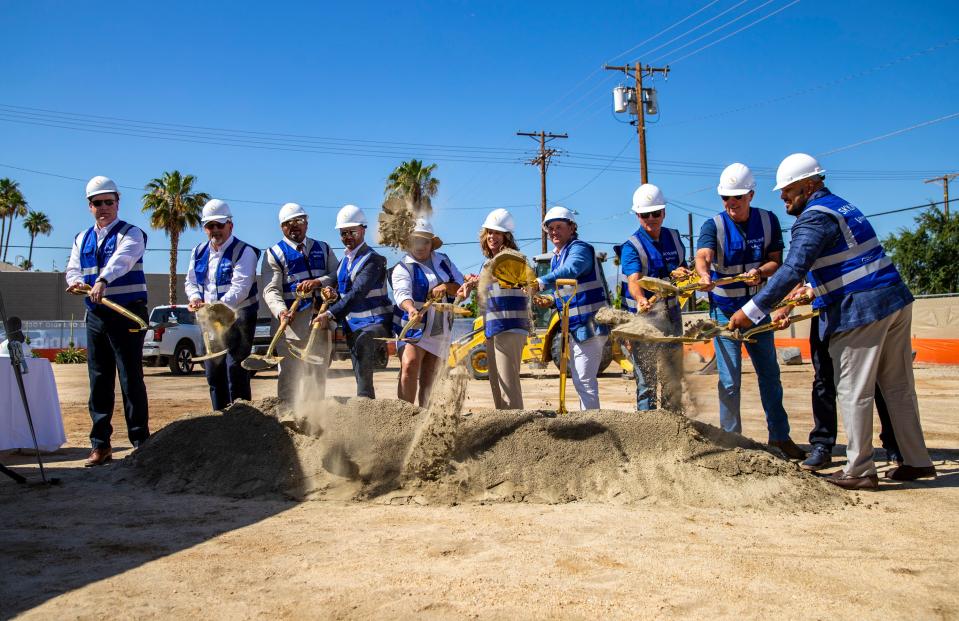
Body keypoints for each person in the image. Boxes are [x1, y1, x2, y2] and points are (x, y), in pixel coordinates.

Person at [729, 153, 935, 489]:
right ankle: (916, 460)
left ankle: (858, 469)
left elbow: (792, 269)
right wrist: (815, 290)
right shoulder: (842, 207)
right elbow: (850, 260)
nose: (783, 196)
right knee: (898, 388)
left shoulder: (812, 219)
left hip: (861, 311)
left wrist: (751, 311)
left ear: (809, 185)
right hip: (894, 300)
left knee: (853, 391)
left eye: (789, 190)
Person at [694, 163, 805, 459]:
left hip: (757, 310)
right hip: (725, 312)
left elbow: (775, 261)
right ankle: (732, 441)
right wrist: (704, 275)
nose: (731, 204)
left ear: (751, 195)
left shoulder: (768, 221)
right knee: (729, 381)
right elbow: (703, 255)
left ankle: (780, 438)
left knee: (770, 374)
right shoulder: (713, 226)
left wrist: (761, 272)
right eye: (726, 198)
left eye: (737, 198)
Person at [65, 176, 149, 466]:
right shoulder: (81, 238)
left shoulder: (132, 234)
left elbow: (123, 260)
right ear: (89, 206)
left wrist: (102, 280)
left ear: (117, 202)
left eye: (108, 202)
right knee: (99, 380)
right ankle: (100, 445)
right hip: (96, 315)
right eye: (97, 203)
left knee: (130, 378)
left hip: (127, 312)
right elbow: (73, 266)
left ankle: (140, 443)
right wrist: (75, 281)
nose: (103, 208)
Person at [773, 286, 901, 471]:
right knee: (823, 379)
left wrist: (815, 289)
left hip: (858, 308)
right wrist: (784, 310)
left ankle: (894, 444)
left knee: (873, 377)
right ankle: (822, 445)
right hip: (824, 313)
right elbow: (798, 273)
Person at [616, 184, 689, 411]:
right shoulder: (632, 246)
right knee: (647, 381)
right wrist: (640, 299)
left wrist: (681, 271)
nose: (651, 218)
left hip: (672, 316)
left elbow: (680, 268)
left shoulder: (675, 238)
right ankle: (647, 431)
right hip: (643, 319)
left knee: (672, 378)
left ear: (664, 213)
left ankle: (672, 426)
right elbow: (634, 280)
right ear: (637, 215)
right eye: (645, 214)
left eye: (655, 213)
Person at [185, 199, 262, 411]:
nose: (215, 230)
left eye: (220, 225)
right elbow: (191, 281)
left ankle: (241, 418)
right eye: (210, 226)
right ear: (204, 228)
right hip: (211, 319)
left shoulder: (244, 252)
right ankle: (219, 418)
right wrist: (194, 298)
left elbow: (241, 288)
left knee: (235, 369)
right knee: (213, 370)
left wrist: (215, 307)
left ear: (230, 225)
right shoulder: (198, 252)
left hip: (239, 317)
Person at [314, 204, 392, 399]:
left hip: (375, 324)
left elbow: (358, 292)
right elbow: (343, 289)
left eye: (352, 232)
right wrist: (331, 291)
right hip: (353, 325)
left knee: (363, 360)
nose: (347, 237)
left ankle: (365, 406)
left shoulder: (374, 260)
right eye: (343, 233)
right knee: (359, 370)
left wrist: (331, 313)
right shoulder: (345, 261)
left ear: (363, 230)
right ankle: (364, 405)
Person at [262, 203, 338, 402]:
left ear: (307, 223)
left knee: (318, 373)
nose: (294, 226)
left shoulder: (324, 248)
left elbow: (337, 275)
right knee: (290, 375)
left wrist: (319, 283)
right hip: (291, 327)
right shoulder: (274, 253)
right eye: (288, 223)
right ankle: (288, 419)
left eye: (299, 221)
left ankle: (314, 420)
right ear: (282, 227)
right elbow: (271, 289)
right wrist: (281, 312)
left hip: (320, 322)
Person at [535, 206, 609, 410]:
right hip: (574, 327)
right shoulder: (557, 257)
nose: (554, 232)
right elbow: (567, 290)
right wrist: (550, 299)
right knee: (579, 381)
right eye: (550, 228)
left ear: (572, 227)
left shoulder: (580, 249)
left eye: (559, 227)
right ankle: (588, 422)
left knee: (585, 381)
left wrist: (540, 283)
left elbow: (571, 270)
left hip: (591, 326)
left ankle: (592, 426)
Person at [458, 208, 530, 410]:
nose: (492, 237)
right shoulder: (488, 263)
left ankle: (516, 430)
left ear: (507, 236)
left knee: (508, 387)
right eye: (489, 232)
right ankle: (504, 430)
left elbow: (507, 275)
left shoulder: (514, 257)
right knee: (497, 386)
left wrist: (479, 280)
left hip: (510, 328)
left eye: (497, 233)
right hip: (494, 328)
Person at [391, 219, 464, 406]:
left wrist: (446, 287)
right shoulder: (402, 268)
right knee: (409, 365)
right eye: (416, 241)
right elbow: (402, 294)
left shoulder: (444, 261)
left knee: (429, 377)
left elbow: (460, 286)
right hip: (413, 328)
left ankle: (424, 420)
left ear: (431, 243)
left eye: (425, 241)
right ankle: (405, 415)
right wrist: (411, 309)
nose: (420, 246)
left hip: (439, 328)